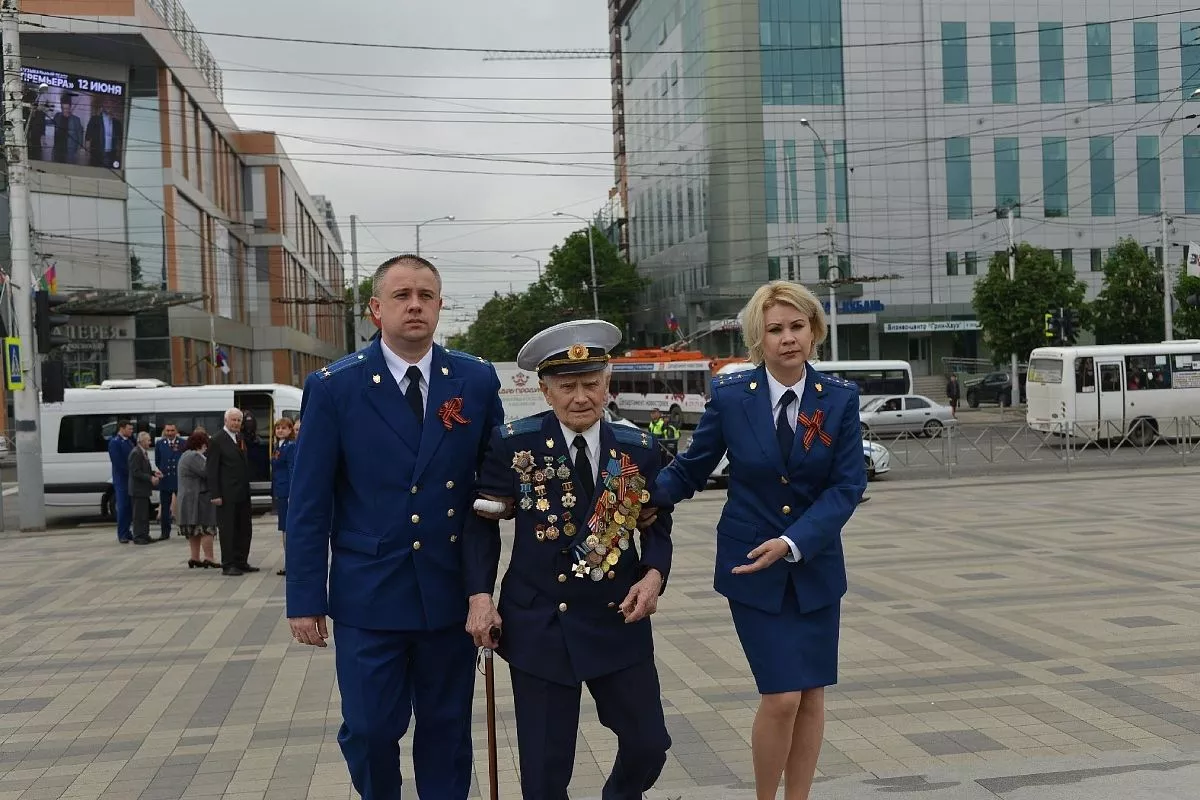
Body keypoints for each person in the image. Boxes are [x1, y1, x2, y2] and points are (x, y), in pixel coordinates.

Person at [286, 254, 505, 800]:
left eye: (426, 296)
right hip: (370, 593)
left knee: (446, 732)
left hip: (447, 591)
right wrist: (305, 598)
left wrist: (484, 589)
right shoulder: (336, 387)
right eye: (402, 295)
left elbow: (491, 490)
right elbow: (309, 502)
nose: (415, 305)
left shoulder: (475, 380)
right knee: (370, 729)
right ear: (375, 309)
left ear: (439, 306)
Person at [648, 281, 866, 800]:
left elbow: (846, 486)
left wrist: (793, 541)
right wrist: (641, 502)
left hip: (814, 567)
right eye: (775, 329)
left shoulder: (839, 399)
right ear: (758, 339)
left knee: (811, 696)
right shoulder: (731, 397)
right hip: (751, 567)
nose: (788, 338)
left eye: (797, 327)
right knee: (782, 696)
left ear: (814, 332)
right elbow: (692, 468)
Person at [464, 320, 674, 800]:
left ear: (607, 383)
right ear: (545, 390)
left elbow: (656, 525)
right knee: (544, 772)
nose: (581, 398)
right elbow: (481, 526)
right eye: (567, 386)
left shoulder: (638, 449)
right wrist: (480, 596)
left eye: (591, 384)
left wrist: (653, 576)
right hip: (541, 623)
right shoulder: (514, 444)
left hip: (616, 619)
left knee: (648, 744)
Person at [207, 408, 257, 576]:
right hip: (226, 494)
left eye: (238, 420)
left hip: (242, 492)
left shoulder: (239, 438)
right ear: (226, 421)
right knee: (228, 530)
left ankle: (241, 561)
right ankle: (228, 564)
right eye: (233, 420)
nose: (236, 423)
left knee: (244, 528)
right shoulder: (217, 440)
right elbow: (211, 469)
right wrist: (215, 494)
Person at [175, 429, 220, 569]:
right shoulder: (194, 456)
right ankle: (209, 557)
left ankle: (195, 557)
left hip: (189, 498)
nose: (207, 447)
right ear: (201, 444)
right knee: (207, 528)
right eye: (206, 444)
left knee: (194, 530)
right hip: (198, 498)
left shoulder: (185, 455)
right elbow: (207, 472)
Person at [271, 417, 296, 577]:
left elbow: (291, 469)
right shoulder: (278, 446)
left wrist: (292, 493)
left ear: (290, 430)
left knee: (288, 529)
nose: (280, 430)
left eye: (284, 428)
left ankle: (291, 564)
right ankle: (289, 563)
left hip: (286, 491)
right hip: (280, 491)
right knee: (284, 529)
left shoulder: (290, 446)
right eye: (278, 428)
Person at [128, 432, 162, 546]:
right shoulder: (136, 453)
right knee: (138, 515)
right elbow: (136, 472)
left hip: (144, 490)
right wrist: (150, 478)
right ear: (141, 441)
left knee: (144, 514)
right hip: (138, 490)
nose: (150, 442)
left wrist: (154, 473)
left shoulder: (143, 452)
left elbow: (144, 470)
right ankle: (138, 536)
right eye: (148, 440)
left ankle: (145, 535)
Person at [154, 423, 184, 539]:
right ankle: (165, 532)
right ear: (164, 431)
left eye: (172, 430)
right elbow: (158, 461)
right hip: (165, 479)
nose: (170, 433)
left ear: (176, 431)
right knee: (165, 508)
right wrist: (163, 470)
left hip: (178, 479)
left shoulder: (183, 443)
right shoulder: (160, 444)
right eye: (168, 430)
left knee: (182, 507)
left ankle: (185, 529)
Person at [107, 420, 135, 543]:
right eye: (129, 429)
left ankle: (127, 531)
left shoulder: (128, 441)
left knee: (129, 507)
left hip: (130, 479)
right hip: (122, 479)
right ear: (122, 428)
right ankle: (122, 534)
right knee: (123, 506)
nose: (131, 431)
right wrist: (131, 472)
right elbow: (118, 462)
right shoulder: (115, 442)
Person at [52, 93, 84, 165]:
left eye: (67, 108)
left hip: (70, 150)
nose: (65, 110)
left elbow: (80, 135)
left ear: (70, 107)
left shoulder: (76, 120)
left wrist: (79, 149)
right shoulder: (57, 116)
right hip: (58, 149)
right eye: (63, 108)